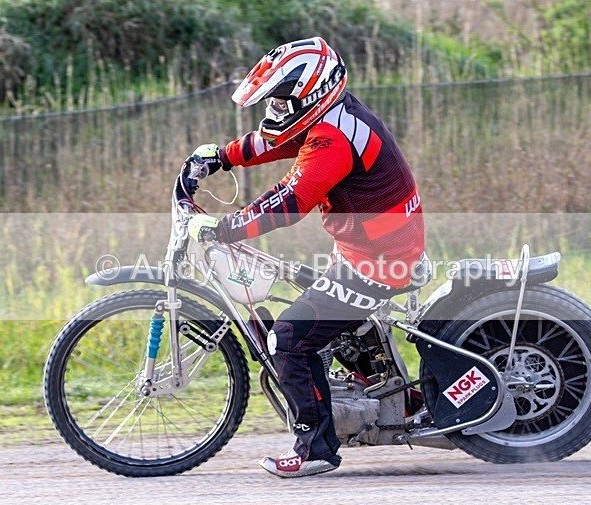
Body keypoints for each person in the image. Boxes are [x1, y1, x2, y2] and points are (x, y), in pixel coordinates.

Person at [182, 37, 426, 478]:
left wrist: (222, 228)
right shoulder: (336, 115)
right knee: (317, 311)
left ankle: (315, 449)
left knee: (289, 338)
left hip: (377, 260)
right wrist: (222, 156)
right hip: (371, 247)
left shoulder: (332, 140)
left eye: (280, 102)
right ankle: (399, 396)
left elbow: (288, 202)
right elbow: (281, 139)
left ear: (310, 94)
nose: (275, 111)